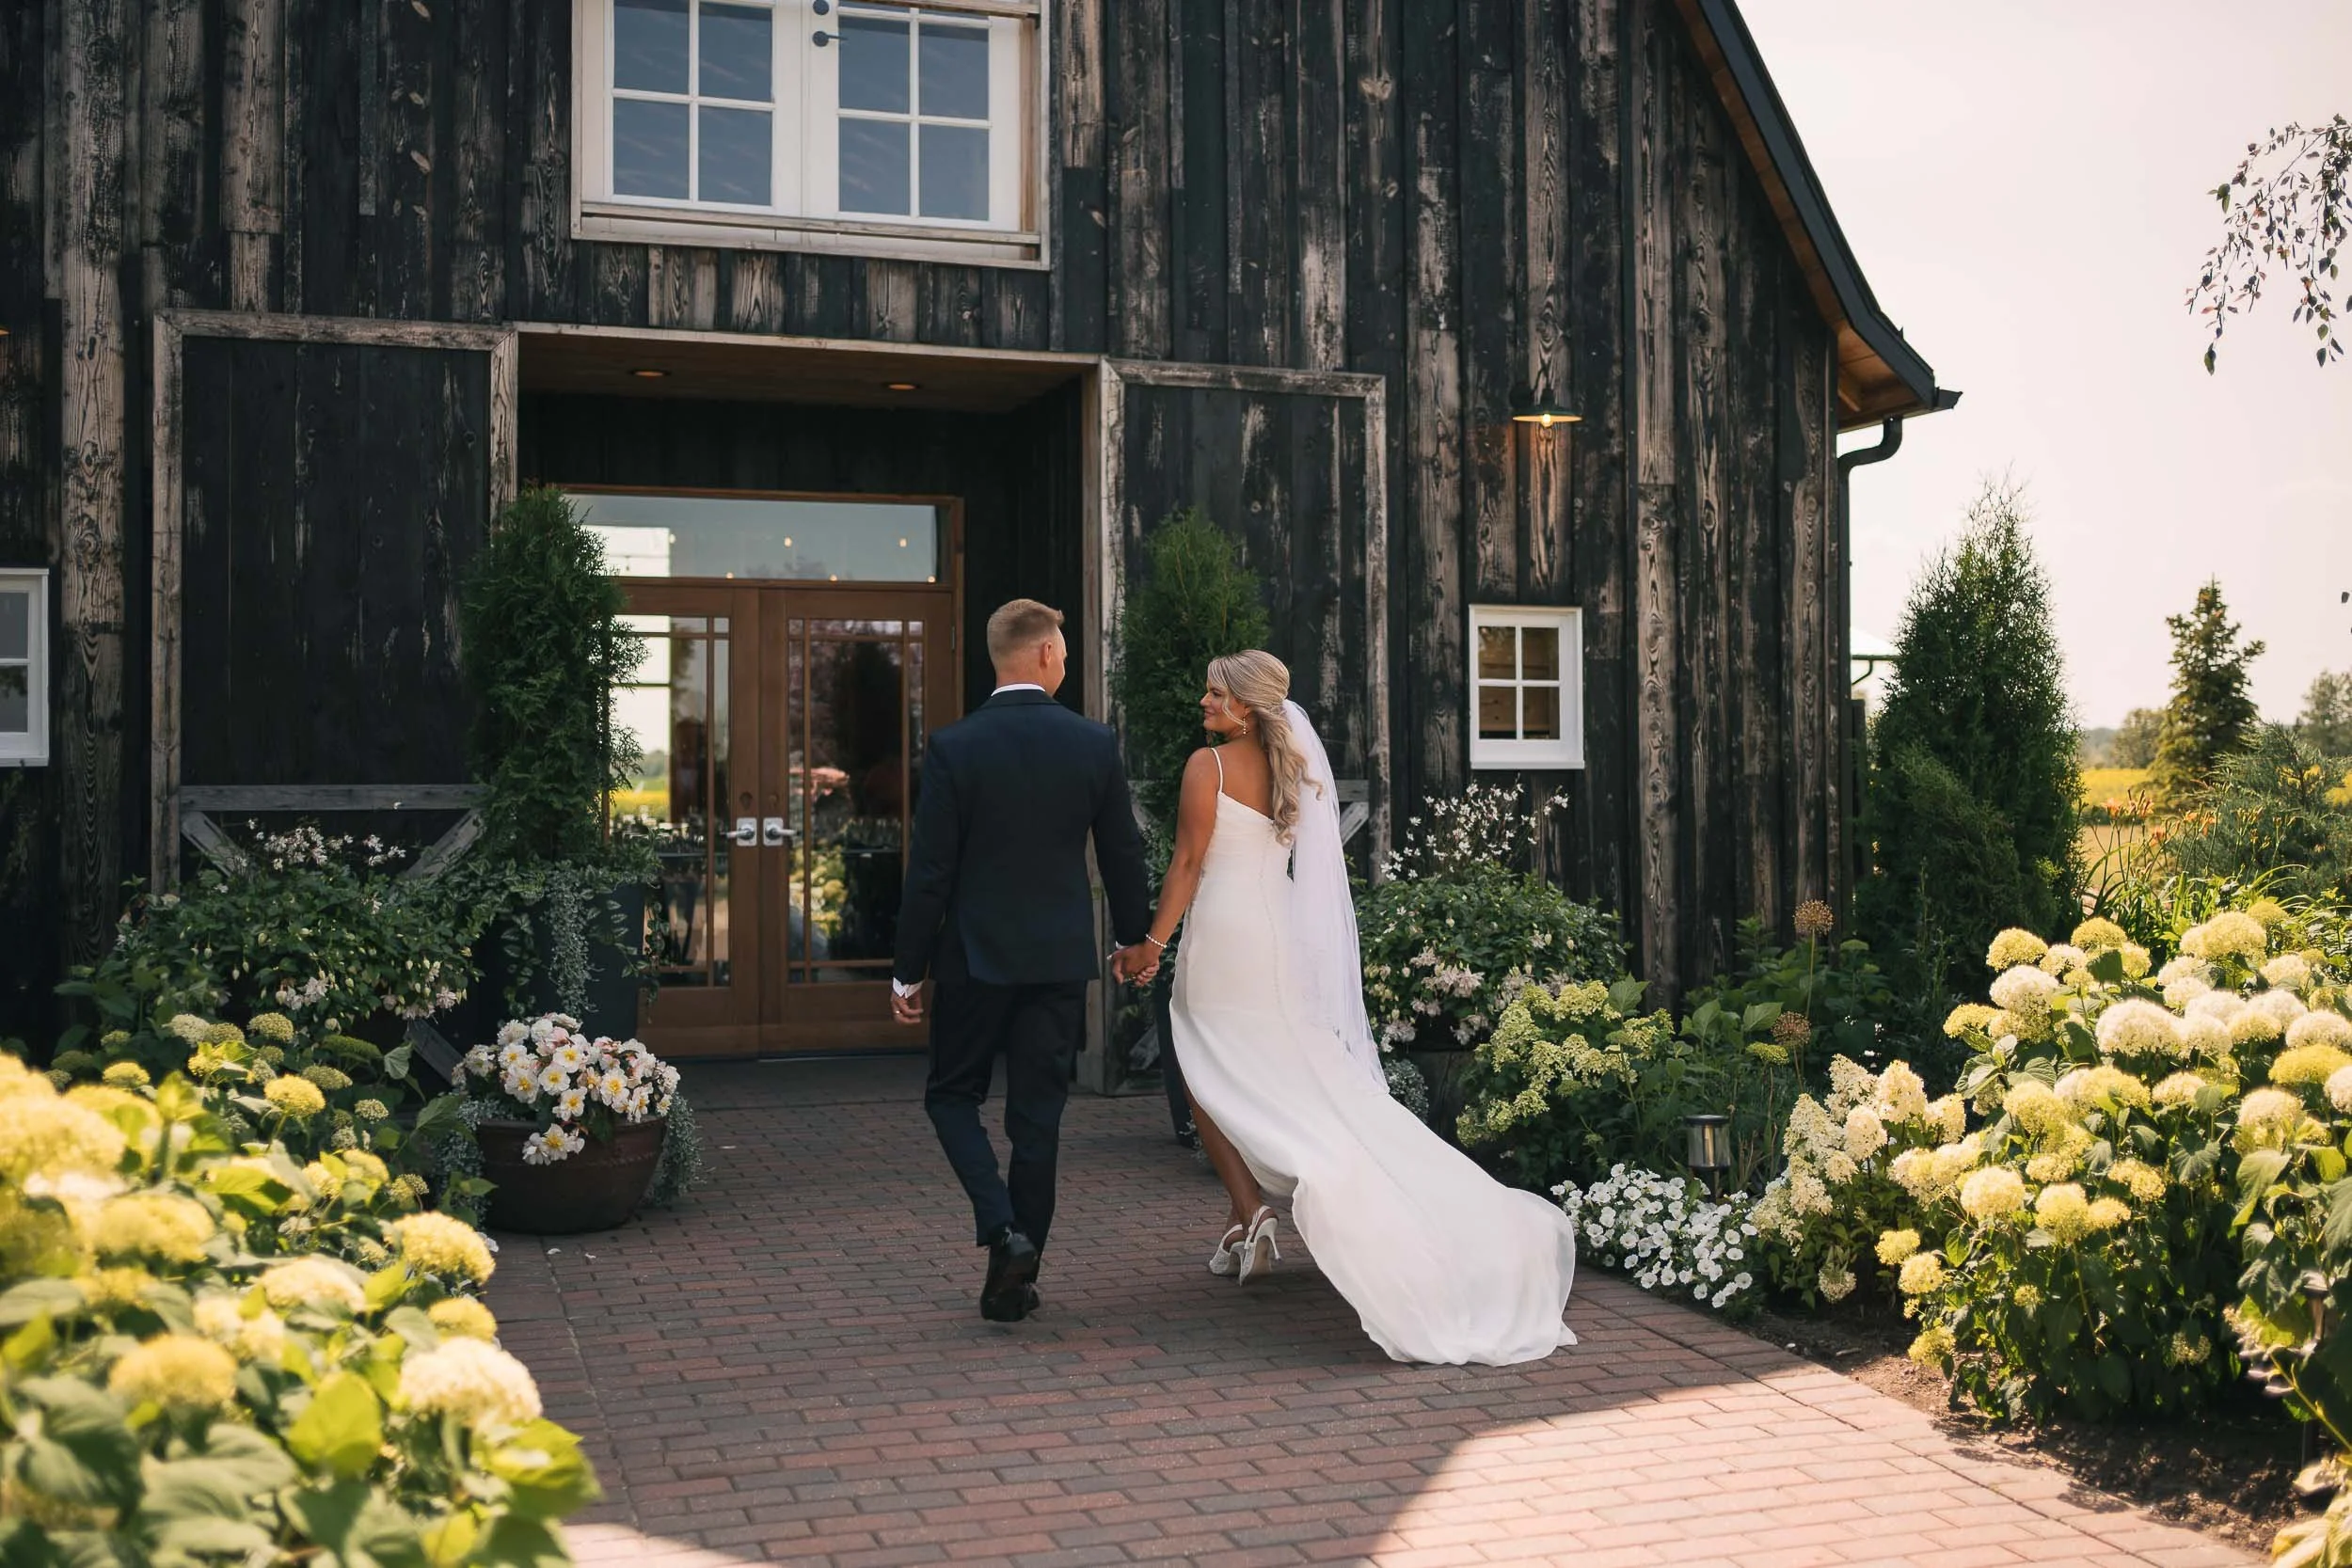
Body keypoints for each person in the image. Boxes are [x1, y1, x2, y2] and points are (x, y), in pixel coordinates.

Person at [1127, 650, 1580, 1366]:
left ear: (1245, 704)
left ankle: (1253, 1209)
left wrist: (1151, 943)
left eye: (1216, 693)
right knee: (1291, 1073)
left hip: (1226, 934)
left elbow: (1187, 862)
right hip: (1278, 938)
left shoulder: (1206, 767)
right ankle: (1246, 1218)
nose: (1204, 702)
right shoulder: (1292, 768)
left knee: (1204, 1065)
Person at [889, 599, 1159, 1323]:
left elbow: (930, 873)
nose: (1066, 660)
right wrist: (1136, 936)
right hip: (1058, 960)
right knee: (1038, 1121)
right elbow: (1122, 852)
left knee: (951, 1095)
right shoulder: (1092, 743)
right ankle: (1019, 1266)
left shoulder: (954, 746)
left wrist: (906, 968)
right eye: (1064, 650)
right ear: (1041, 654)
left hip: (974, 959)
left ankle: (1003, 1230)